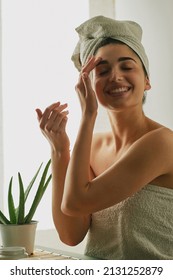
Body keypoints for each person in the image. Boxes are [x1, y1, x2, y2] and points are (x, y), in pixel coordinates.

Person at [36, 16, 173, 260]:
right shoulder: (92, 147)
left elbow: (76, 201)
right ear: (89, 84)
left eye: (127, 66)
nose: (115, 76)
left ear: (147, 81)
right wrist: (60, 151)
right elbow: (71, 233)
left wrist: (88, 115)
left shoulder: (162, 143)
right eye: (102, 71)